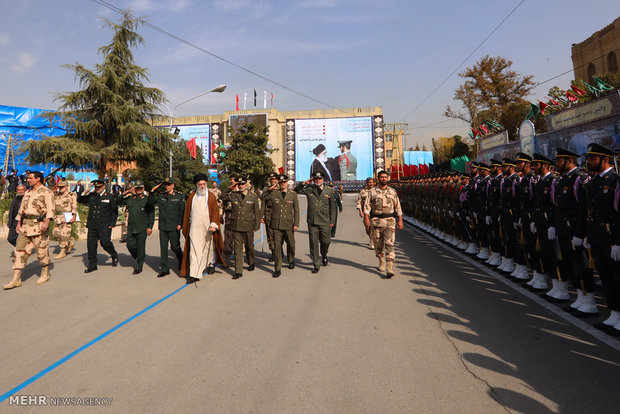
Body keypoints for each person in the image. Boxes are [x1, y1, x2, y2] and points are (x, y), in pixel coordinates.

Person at [584, 143, 620, 334]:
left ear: (605, 159)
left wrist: (618, 241)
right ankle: (614, 313)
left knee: (617, 277)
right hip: (597, 236)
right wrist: (587, 234)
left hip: (612, 239)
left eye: (592, 158)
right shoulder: (594, 182)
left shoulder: (615, 180)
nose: (589, 161)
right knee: (606, 277)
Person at [4, 171, 54, 289]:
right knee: (19, 251)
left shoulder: (47, 192)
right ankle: (16, 279)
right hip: (25, 226)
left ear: (38, 179)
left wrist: (46, 223)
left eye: (30, 178)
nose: (28, 180)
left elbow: (51, 209)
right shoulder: (27, 192)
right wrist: (18, 223)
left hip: (39, 225)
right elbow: (22, 209)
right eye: (28, 178)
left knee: (41, 250)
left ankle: (45, 272)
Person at [180, 173, 226, 284]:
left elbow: (215, 212)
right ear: (196, 185)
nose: (202, 186)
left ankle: (211, 264)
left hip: (208, 227)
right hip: (195, 228)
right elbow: (187, 213)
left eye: (203, 184)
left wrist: (214, 224)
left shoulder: (211, 196)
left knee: (208, 249)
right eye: (199, 184)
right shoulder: (192, 196)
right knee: (194, 251)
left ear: (206, 184)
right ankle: (195, 274)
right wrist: (185, 226)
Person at [295, 170, 337, 273]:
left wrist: (332, 221)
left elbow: (333, 208)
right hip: (312, 221)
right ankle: (316, 264)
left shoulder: (329, 191)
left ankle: (324, 255)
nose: (318, 180)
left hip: (325, 221)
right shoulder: (309, 189)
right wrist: (304, 183)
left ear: (323, 179)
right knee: (313, 243)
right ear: (313, 180)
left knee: (326, 242)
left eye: (320, 178)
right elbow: (296, 190)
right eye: (315, 179)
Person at [363, 170, 403, 278]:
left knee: (389, 244)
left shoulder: (392, 191)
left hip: (389, 221)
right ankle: (381, 260)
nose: (384, 179)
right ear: (378, 179)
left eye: (385, 177)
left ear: (387, 178)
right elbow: (367, 207)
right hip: (376, 221)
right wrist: (366, 219)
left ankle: (390, 266)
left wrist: (400, 220)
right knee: (378, 245)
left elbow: (397, 206)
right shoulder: (372, 192)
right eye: (382, 177)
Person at [222, 175, 261, 279]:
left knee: (249, 246)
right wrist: (231, 187)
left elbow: (256, 213)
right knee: (237, 249)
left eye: (242, 184)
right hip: (237, 225)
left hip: (248, 225)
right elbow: (222, 196)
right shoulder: (234, 195)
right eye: (239, 184)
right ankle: (238, 271)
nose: (241, 186)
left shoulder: (253, 196)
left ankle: (251, 262)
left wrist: (257, 225)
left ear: (246, 184)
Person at [77, 178, 119, 273]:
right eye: (96, 187)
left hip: (104, 225)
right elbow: (79, 199)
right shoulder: (92, 196)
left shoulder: (110, 196)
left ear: (103, 186)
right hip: (92, 224)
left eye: (99, 186)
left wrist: (112, 224)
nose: (97, 188)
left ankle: (114, 254)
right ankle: (92, 265)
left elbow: (114, 212)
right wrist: (87, 190)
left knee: (105, 243)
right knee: (91, 245)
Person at [262, 174, 300, 277]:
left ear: (287, 183)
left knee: (291, 244)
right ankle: (277, 268)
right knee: (277, 247)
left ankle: (291, 260)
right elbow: (262, 197)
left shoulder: (292, 194)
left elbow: (296, 210)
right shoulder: (274, 194)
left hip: (288, 224)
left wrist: (296, 223)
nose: (283, 184)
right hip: (276, 224)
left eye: (284, 182)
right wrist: (270, 189)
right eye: (281, 182)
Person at [149, 177, 185, 278]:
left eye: (169, 184)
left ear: (173, 185)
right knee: (163, 249)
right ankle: (165, 269)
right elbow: (150, 201)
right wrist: (153, 190)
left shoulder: (179, 196)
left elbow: (182, 212)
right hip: (163, 227)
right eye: (165, 185)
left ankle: (181, 261)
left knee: (175, 247)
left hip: (174, 227)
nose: (167, 186)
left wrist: (180, 223)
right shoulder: (161, 196)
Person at [117, 180, 154, 275]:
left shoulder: (147, 200)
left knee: (140, 247)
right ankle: (139, 258)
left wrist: (150, 227)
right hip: (131, 228)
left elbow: (151, 214)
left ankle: (138, 266)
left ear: (143, 189)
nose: (138, 190)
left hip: (142, 227)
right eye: (136, 188)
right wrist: (127, 192)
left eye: (140, 188)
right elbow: (117, 200)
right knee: (130, 245)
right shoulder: (130, 199)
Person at [52, 178, 78, 259]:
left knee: (64, 234)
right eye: (59, 187)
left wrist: (74, 216)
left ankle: (63, 251)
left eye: (62, 187)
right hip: (58, 216)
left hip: (67, 215)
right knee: (55, 234)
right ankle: (68, 243)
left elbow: (74, 205)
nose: (60, 188)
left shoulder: (71, 195)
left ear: (67, 187)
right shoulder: (57, 195)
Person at [260, 172, 279, 262]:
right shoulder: (266, 189)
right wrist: (261, 216)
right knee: (270, 236)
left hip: (279, 215)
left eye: (274, 179)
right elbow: (262, 201)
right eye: (271, 179)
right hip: (269, 214)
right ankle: (273, 253)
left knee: (279, 236)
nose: (273, 181)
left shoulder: (281, 188)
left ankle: (279, 251)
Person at [357, 177, 376, 248]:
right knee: (367, 228)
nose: (371, 184)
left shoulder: (376, 191)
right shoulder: (363, 191)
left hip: (374, 212)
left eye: (372, 182)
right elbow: (359, 201)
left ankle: (372, 242)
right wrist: (360, 211)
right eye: (369, 182)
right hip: (366, 212)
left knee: (373, 227)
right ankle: (370, 237)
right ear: (367, 183)